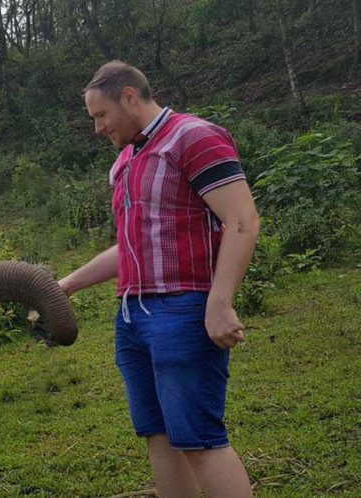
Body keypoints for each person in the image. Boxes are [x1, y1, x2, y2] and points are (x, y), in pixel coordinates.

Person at [59, 60, 258, 497]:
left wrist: (220, 302)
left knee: (199, 439)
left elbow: (242, 221)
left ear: (129, 96)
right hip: (132, 317)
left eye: (101, 115)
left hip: (182, 310)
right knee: (159, 435)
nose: (97, 128)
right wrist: (66, 285)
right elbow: (131, 247)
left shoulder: (195, 137)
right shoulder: (126, 160)